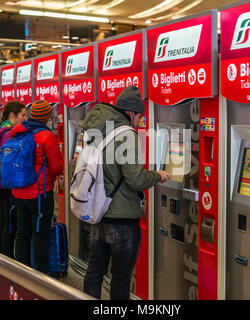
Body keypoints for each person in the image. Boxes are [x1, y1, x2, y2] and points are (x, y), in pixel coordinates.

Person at [82, 85, 169, 300]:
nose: (140, 121)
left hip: (96, 212)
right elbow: (135, 179)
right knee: (121, 278)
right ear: (131, 112)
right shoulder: (126, 134)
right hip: (121, 220)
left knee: (94, 272)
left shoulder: (96, 128)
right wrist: (158, 175)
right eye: (140, 116)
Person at [11, 100, 63, 273]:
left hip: (18, 190)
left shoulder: (16, 132)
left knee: (22, 232)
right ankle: (40, 274)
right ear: (47, 117)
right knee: (40, 233)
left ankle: (22, 270)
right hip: (40, 194)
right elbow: (56, 167)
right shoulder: (47, 136)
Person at [0, 101, 26, 258]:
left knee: (3, 219)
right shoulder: (10, 133)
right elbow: (10, 161)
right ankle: (6, 256)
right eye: (22, 115)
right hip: (7, 184)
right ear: (12, 115)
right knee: (9, 223)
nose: (25, 118)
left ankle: (1, 253)